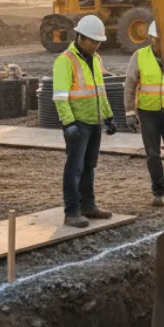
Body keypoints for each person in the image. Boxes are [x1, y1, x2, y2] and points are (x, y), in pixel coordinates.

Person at [52, 14, 117, 228]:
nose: (97, 46)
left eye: (99, 42)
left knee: (89, 166)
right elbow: (60, 97)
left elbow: (100, 91)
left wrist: (107, 116)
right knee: (75, 168)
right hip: (77, 124)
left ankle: (88, 206)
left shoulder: (96, 60)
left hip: (94, 121)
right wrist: (68, 124)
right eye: (94, 41)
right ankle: (72, 212)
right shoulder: (65, 61)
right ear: (81, 37)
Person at [124, 21, 164, 206]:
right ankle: (158, 191)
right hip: (148, 113)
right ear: (151, 39)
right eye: (158, 41)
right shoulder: (139, 56)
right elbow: (130, 85)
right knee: (153, 154)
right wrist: (130, 112)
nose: (161, 45)